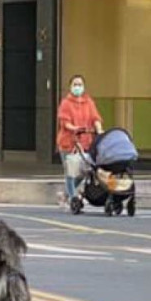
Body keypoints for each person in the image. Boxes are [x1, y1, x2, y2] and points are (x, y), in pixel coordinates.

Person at [56, 75, 104, 205]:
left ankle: (65, 194)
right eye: (75, 84)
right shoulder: (66, 103)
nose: (78, 87)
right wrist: (75, 128)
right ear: (70, 87)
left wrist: (99, 129)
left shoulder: (88, 102)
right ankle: (72, 198)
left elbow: (96, 118)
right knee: (71, 171)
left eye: (80, 84)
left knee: (84, 171)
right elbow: (65, 122)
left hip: (85, 142)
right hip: (68, 143)